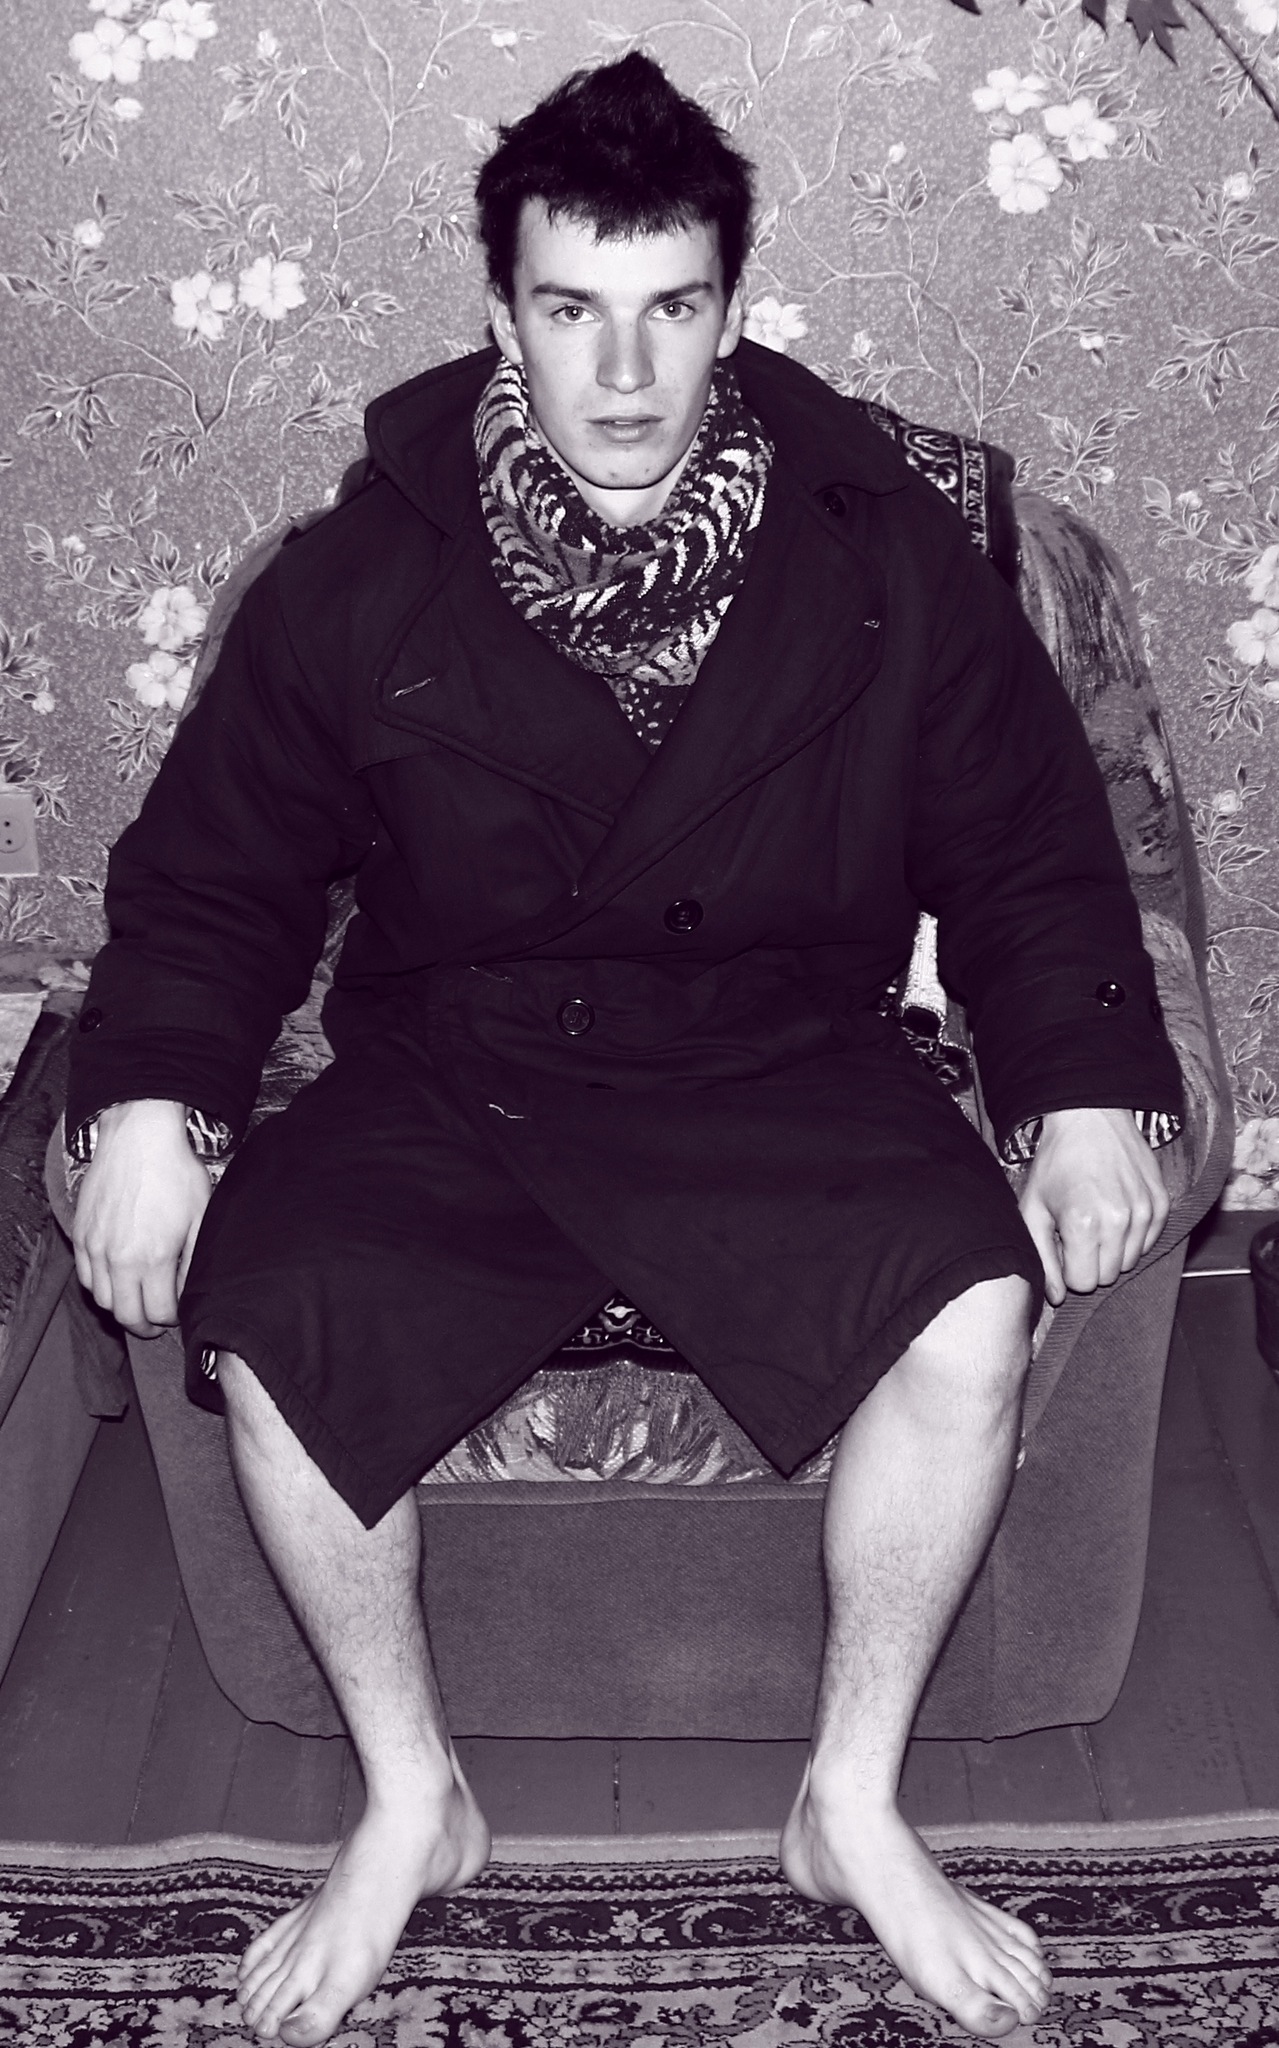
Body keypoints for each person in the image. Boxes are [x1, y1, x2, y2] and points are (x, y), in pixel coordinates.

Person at [68, 51, 1183, 2048]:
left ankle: (852, 1803)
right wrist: (153, 1095)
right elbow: (217, 871)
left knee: (972, 1315)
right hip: (465, 1061)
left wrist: (1085, 1080)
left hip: (779, 1051)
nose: (625, 373)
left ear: (732, 309)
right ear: (502, 314)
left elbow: (1030, 840)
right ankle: (415, 1798)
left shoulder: (883, 554)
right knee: (279, 1312)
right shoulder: (362, 572)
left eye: (673, 308)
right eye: (571, 310)